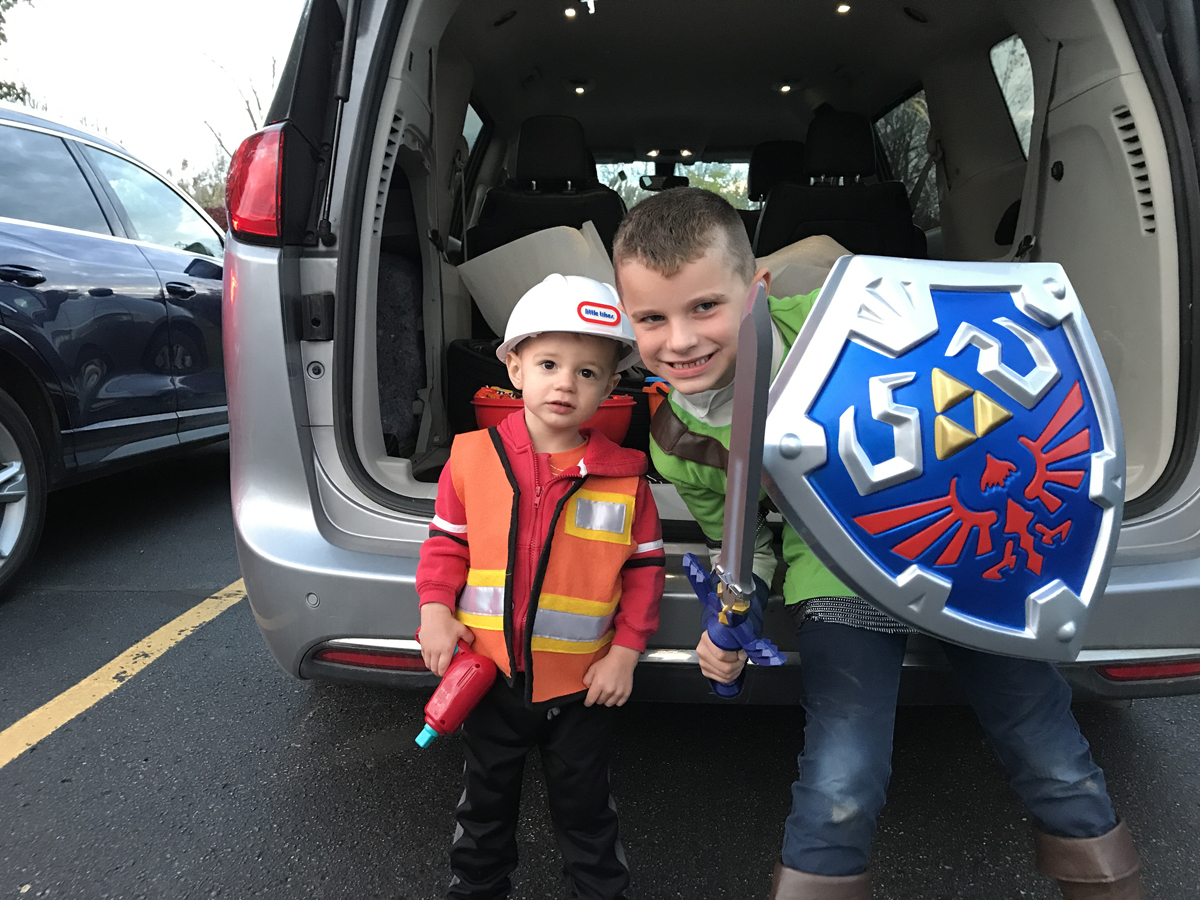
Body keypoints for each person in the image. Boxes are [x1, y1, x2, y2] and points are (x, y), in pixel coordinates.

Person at [611, 187, 1145, 900]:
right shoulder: (675, 439)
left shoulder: (848, 329)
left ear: (756, 288)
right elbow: (746, 546)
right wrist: (730, 618)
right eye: (652, 318)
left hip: (970, 548)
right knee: (843, 773)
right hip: (836, 575)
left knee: (1045, 739)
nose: (679, 340)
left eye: (705, 307)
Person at [416, 273, 665, 900]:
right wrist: (435, 611)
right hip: (488, 678)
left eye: (587, 372)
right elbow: (446, 545)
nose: (565, 382)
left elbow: (642, 573)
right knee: (483, 811)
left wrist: (626, 652)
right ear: (515, 369)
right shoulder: (470, 459)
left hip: (582, 688)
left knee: (586, 816)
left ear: (611, 388)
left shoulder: (625, 480)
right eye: (549, 363)